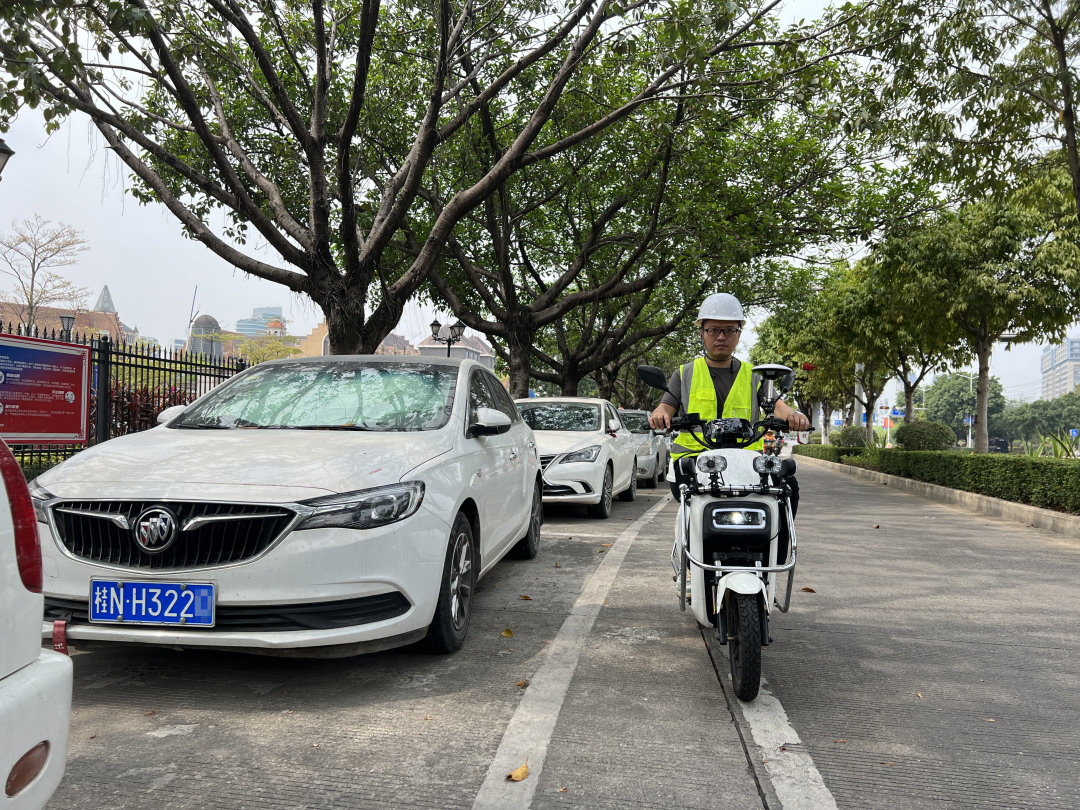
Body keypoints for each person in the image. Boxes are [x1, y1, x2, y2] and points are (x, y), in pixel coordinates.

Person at [650, 292, 805, 598]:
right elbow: (666, 407)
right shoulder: (684, 373)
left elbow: (776, 406)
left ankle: (769, 567)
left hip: (743, 464)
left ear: (738, 334)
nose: (721, 337)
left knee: (787, 490)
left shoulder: (754, 375)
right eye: (713, 330)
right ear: (701, 332)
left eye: (729, 330)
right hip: (693, 461)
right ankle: (692, 570)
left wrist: (794, 416)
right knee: (691, 509)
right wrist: (659, 416)